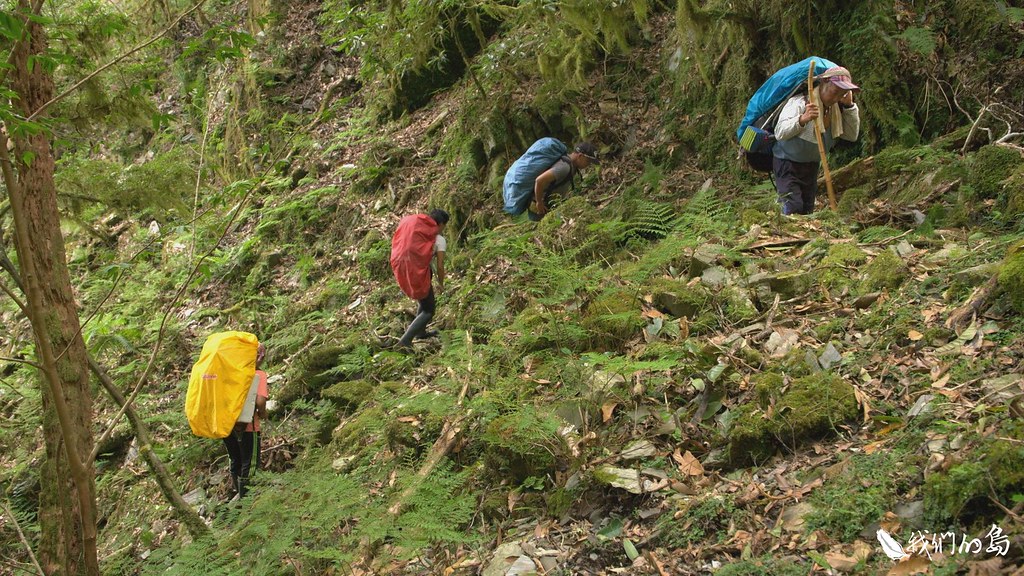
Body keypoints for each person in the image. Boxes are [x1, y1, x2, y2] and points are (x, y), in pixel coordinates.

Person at [772, 66, 861, 215]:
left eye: (842, 93)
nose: (837, 97)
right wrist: (802, 119)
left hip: (811, 166)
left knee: (807, 210)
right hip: (787, 163)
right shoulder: (800, 103)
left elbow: (851, 136)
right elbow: (780, 132)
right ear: (824, 82)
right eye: (835, 91)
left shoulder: (836, 110)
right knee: (792, 206)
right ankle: (784, 232)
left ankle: (803, 236)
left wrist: (849, 106)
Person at [391, 209, 448, 349]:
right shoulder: (439, 239)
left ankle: (420, 333)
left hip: (401, 263)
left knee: (423, 300)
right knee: (429, 310)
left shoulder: (418, 231)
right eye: (444, 226)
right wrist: (441, 283)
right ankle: (404, 341)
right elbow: (440, 266)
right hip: (418, 270)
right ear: (440, 224)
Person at [504, 140, 600, 220]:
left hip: (548, 205)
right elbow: (539, 180)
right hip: (542, 205)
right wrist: (539, 202)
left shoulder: (568, 164)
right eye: (588, 161)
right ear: (580, 156)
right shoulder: (564, 167)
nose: (589, 164)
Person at [224, 343, 268, 499]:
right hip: (249, 427)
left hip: (227, 425)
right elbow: (260, 402)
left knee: (235, 459)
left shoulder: (230, 373)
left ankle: (239, 494)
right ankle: (246, 503)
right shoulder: (258, 374)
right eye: (260, 354)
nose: (262, 357)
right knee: (249, 463)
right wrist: (263, 414)